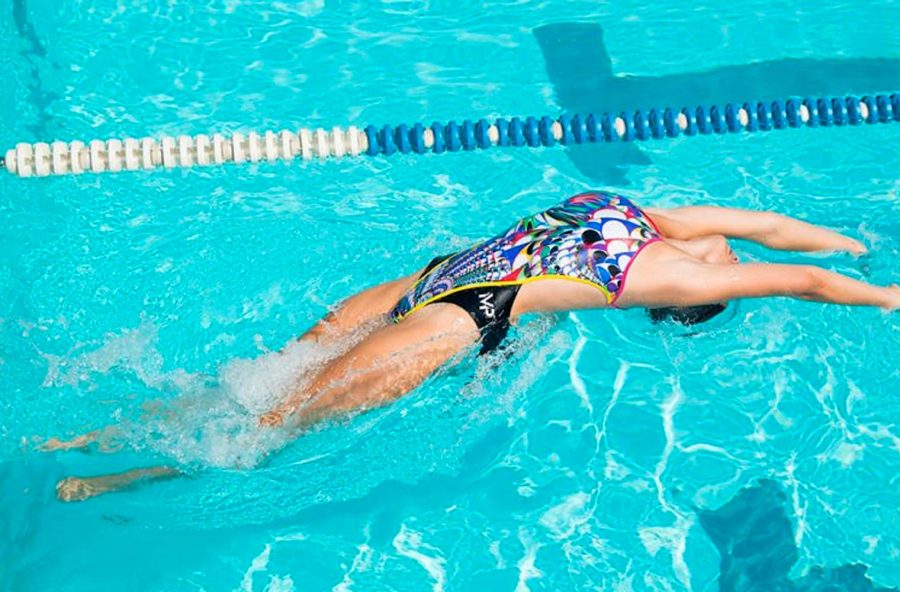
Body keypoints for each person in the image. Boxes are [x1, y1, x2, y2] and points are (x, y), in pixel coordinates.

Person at [44, 191, 899, 501]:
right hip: (424, 280)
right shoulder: (663, 222)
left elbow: (795, 278)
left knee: (276, 423)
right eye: (735, 257)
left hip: (456, 311)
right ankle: (111, 429)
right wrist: (848, 243)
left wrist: (881, 296)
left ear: (696, 303)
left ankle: (126, 469)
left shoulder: (672, 275)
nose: (739, 254)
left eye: (733, 270)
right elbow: (778, 233)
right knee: (265, 378)